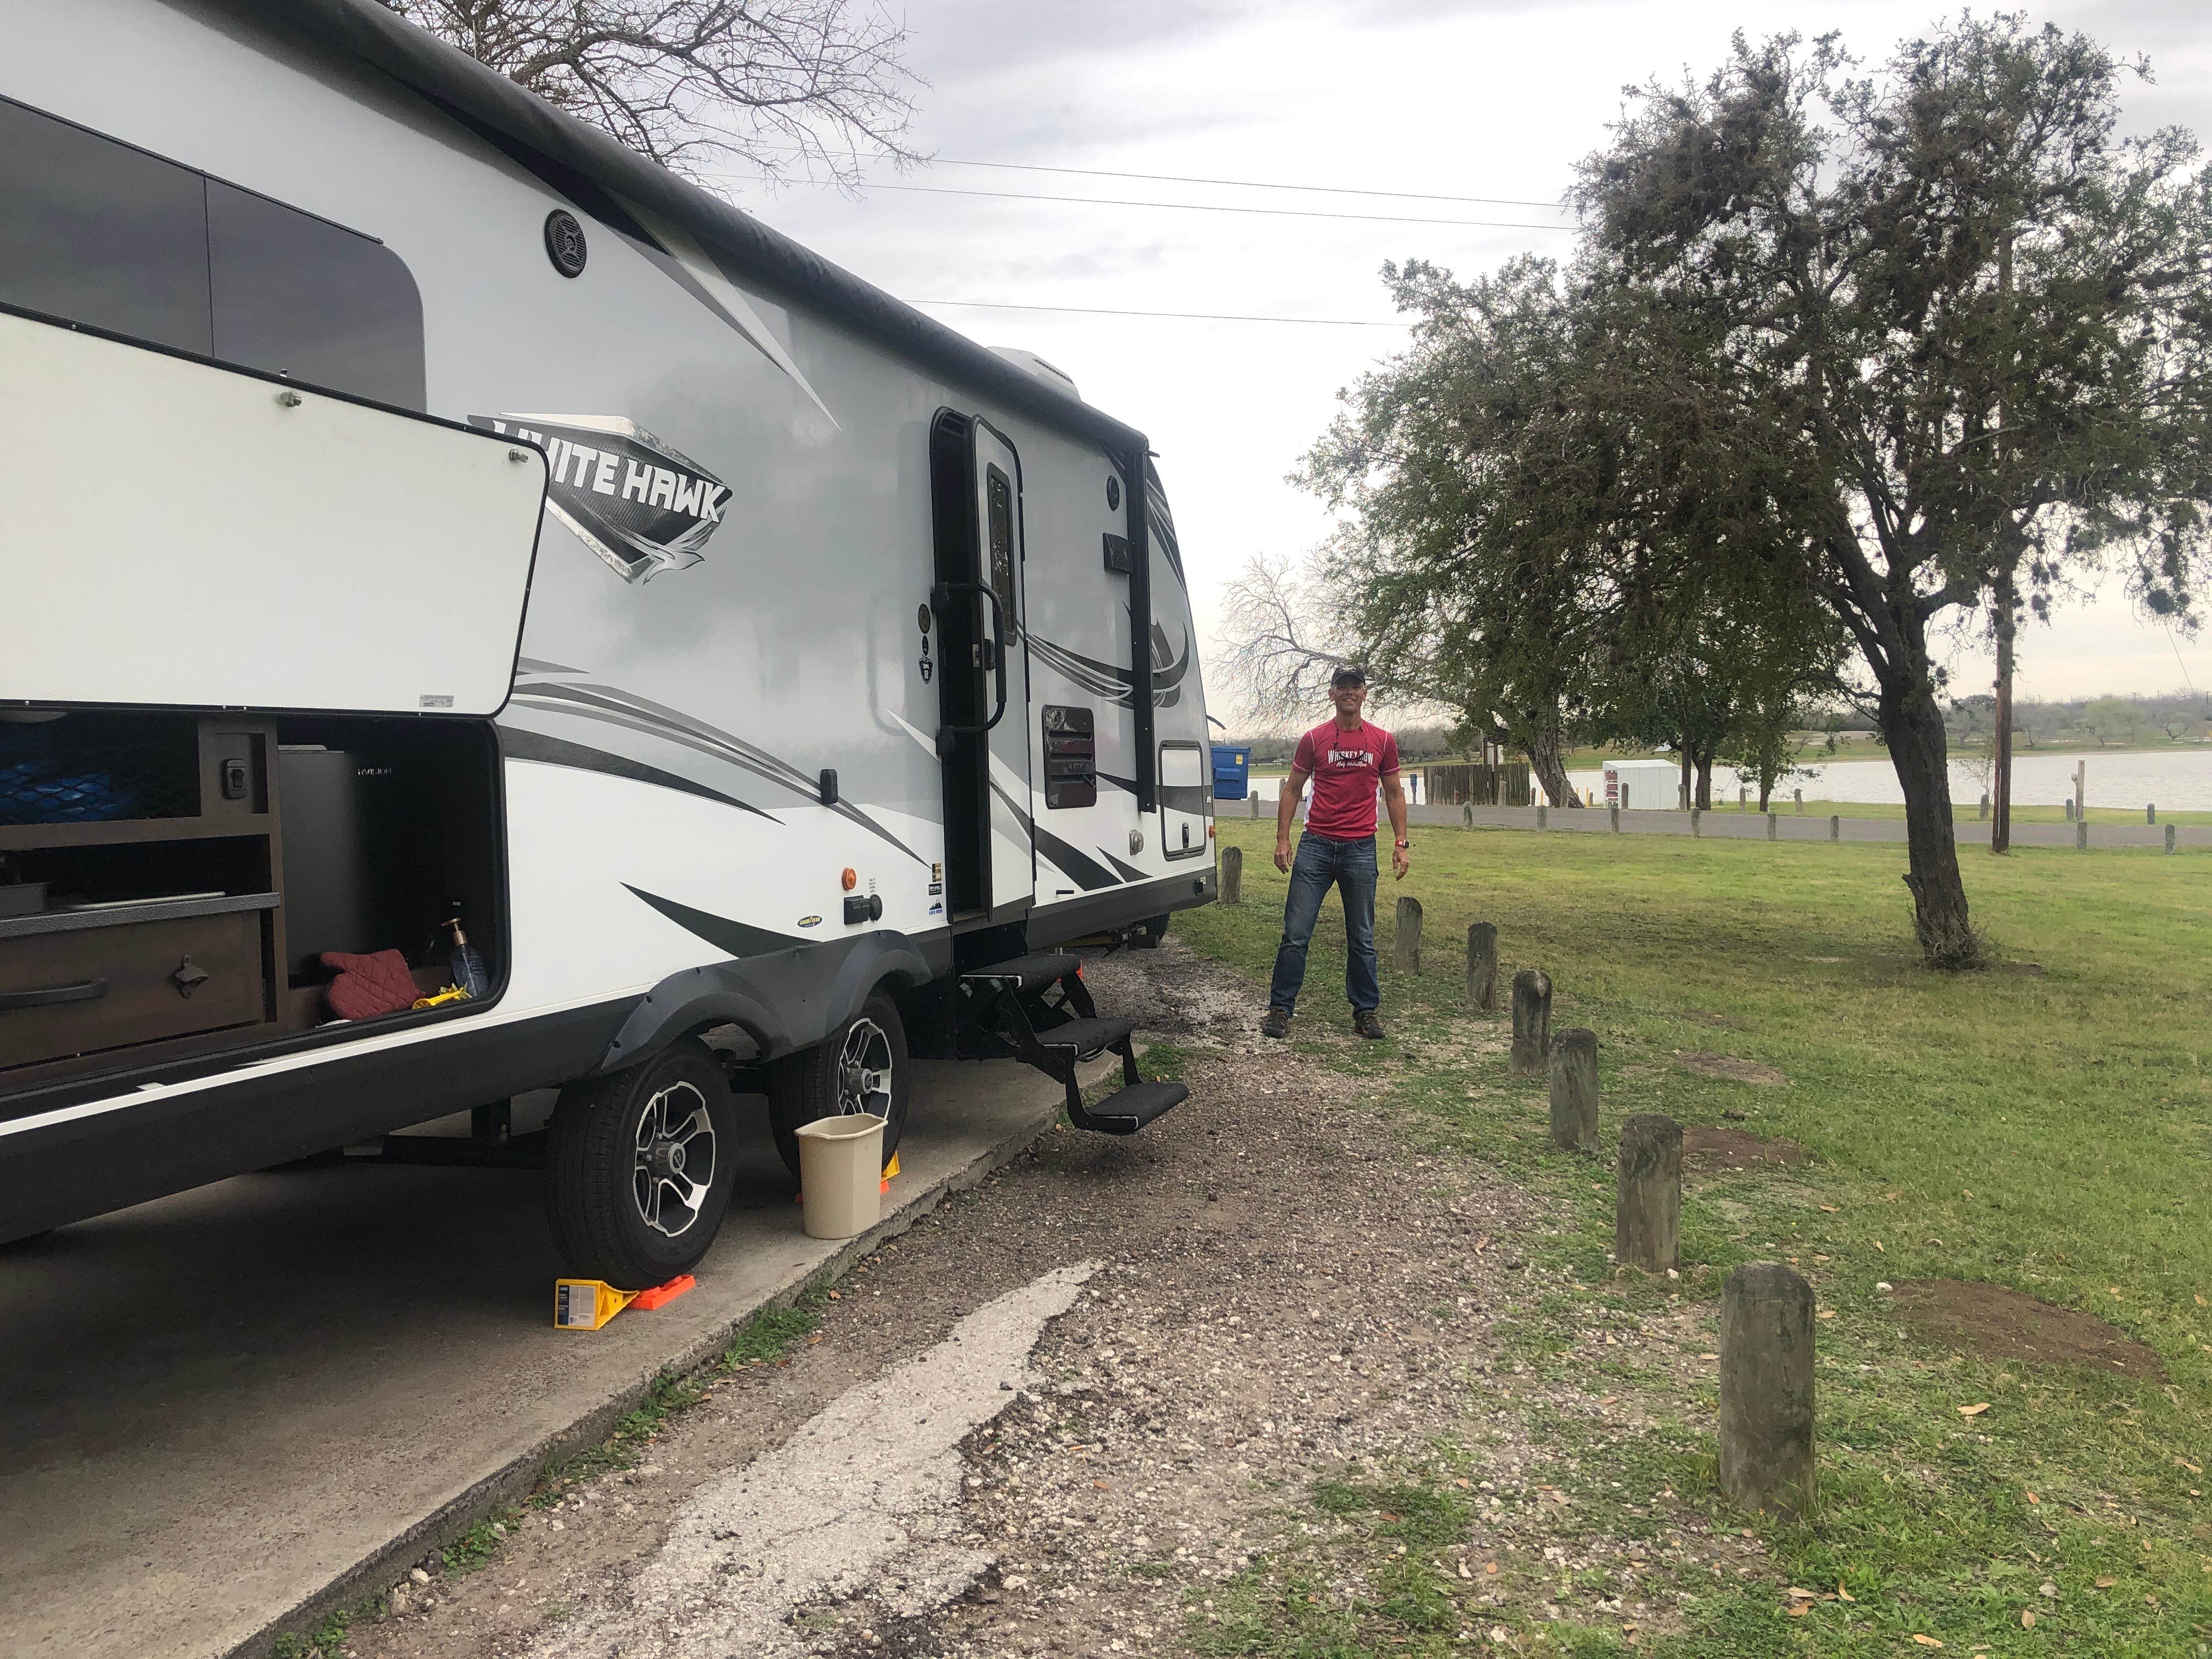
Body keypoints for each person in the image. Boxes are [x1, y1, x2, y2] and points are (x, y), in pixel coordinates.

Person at [1260, 666, 1409, 1040]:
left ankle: (1366, 1012)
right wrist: (1283, 839)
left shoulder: (1383, 740)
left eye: (1355, 687)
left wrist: (1401, 844)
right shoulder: (1314, 739)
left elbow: (1393, 793)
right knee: (1296, 933)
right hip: (1317, 847)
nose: (1349, 693)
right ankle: (1280, 1009)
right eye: (1342, 687)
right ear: (1331, 694)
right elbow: (1293, 789)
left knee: (1362, 936)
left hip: (1361, 848)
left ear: (1363, 694)